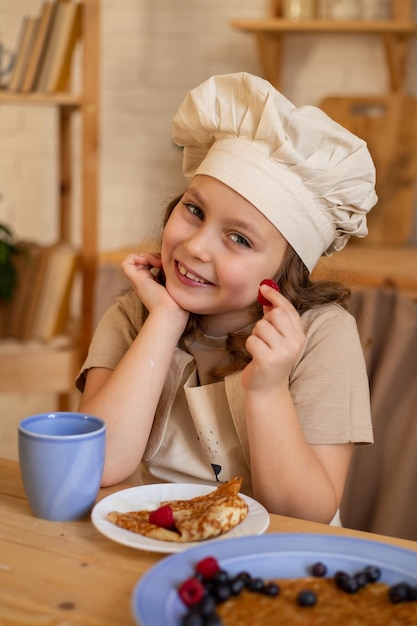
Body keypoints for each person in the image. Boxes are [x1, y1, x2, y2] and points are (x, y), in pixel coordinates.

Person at [77, 72, 377, 525]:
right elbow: (95, 465)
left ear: (283, 270)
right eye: (194, 211)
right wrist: (164, 322)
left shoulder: (323, 335)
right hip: (151, 538)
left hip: (273, 558)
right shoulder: (135, 312)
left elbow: (305, 514)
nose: (196, 246)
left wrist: (268, 388)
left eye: (238, 238)